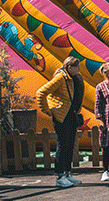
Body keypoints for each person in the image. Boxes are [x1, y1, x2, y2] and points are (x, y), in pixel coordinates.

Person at [36, 56, 85, 188]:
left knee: (70, 145)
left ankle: (67, 173)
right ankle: (59, 175)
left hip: (71, 115)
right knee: (62, 146)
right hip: (61, 116)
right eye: (77, 67)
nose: (79, 70)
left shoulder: (74, 78)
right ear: (69, 67)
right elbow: (41, 92)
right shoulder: (60, 77)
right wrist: (48, 110)